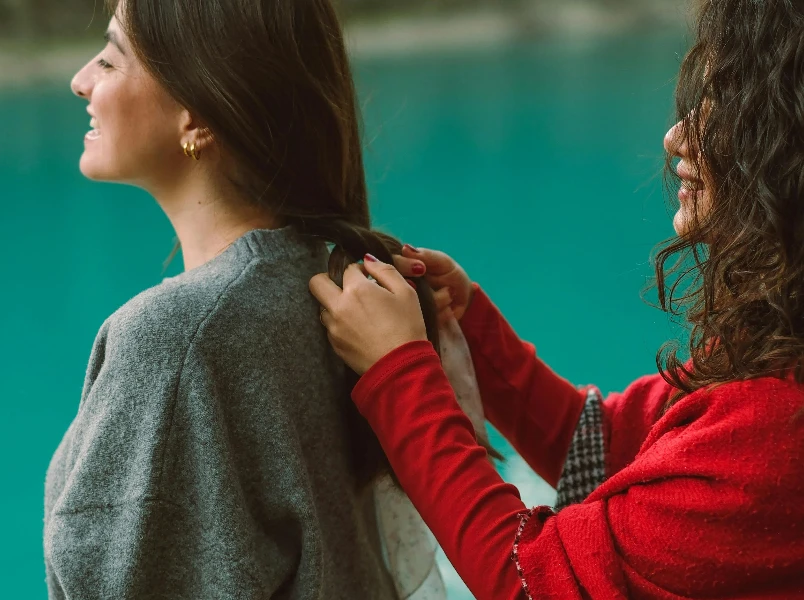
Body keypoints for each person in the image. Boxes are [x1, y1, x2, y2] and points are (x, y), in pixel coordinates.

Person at [309, 0, 804, 598]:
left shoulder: (775, 432)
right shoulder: (774, 358)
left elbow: (531, 579)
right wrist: (472, 331)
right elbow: (607, 445)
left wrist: (398, 375)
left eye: (724, 109)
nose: (677, 136)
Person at [44, 0, 445, 597]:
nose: (80, 81)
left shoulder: (171, 340)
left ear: (196, 114)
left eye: (108, 59)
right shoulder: (339, 281)